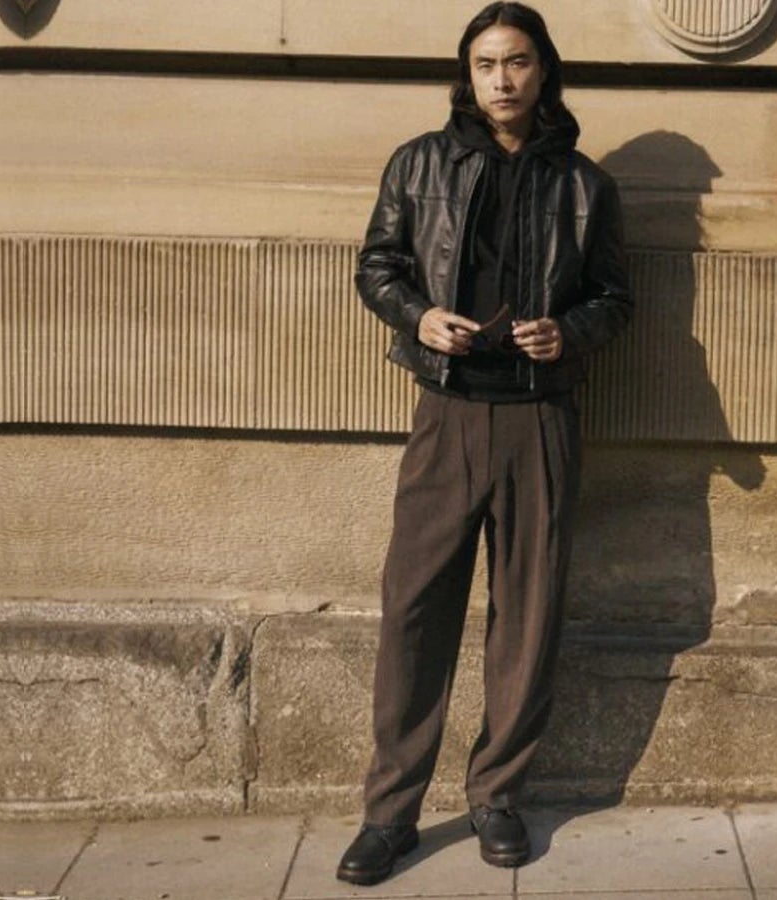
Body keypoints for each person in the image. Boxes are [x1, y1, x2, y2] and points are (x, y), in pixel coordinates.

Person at [338, 1, 633, 885]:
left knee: (528, 614)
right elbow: (377, 265)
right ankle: (390, 813)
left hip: (541, 416)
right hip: (448, 411)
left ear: (544, 71)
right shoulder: (419, 163)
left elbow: (614, 298)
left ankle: (498, 795)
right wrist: (418, 315)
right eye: (486, 64)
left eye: (517, 62)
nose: (502, 79)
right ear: (466, 75)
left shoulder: (585, 185)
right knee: (414, 610)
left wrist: (568, 333)